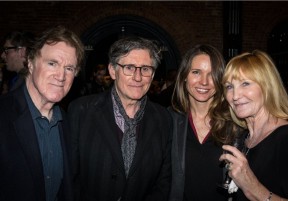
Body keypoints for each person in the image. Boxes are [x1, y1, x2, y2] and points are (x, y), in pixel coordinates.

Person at [68, 36, 172, 201]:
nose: (138, 77)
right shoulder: (81, 111)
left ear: (152, 75)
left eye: (145, 69)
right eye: (129, 67)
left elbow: (163, 182)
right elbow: (70, 177)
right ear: (112, 70)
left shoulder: (163, 118)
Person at [0, 25, 85, 201]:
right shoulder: (4, 114)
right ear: (30, 63)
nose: (61, 76)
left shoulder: (67, 122)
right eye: (52, 63)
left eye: (69, 68)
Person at [220, 50, 288, 200]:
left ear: (267, 86)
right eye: (229, 87)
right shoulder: (244, 138)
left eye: (245, 83)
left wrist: (253, 187)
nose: (235, 96)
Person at [169, 44, 242, 201]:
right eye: (196, 72)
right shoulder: (169, 121)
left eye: (212, 74)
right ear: (184, 76)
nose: (204, 82)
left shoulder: (236, 124)